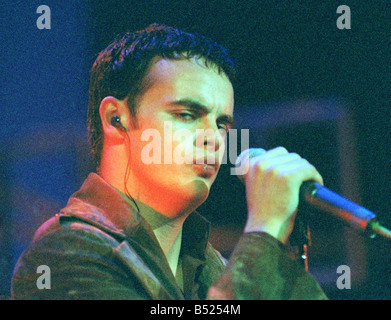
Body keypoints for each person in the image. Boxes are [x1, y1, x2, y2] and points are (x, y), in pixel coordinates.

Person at [11, 24, 327, 300]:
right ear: (116, 118)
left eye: (221, 124)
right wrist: (265, 229)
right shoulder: (64, 253)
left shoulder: (212, 267)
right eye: (186, 115)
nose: (213, 139)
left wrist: (283, 256)